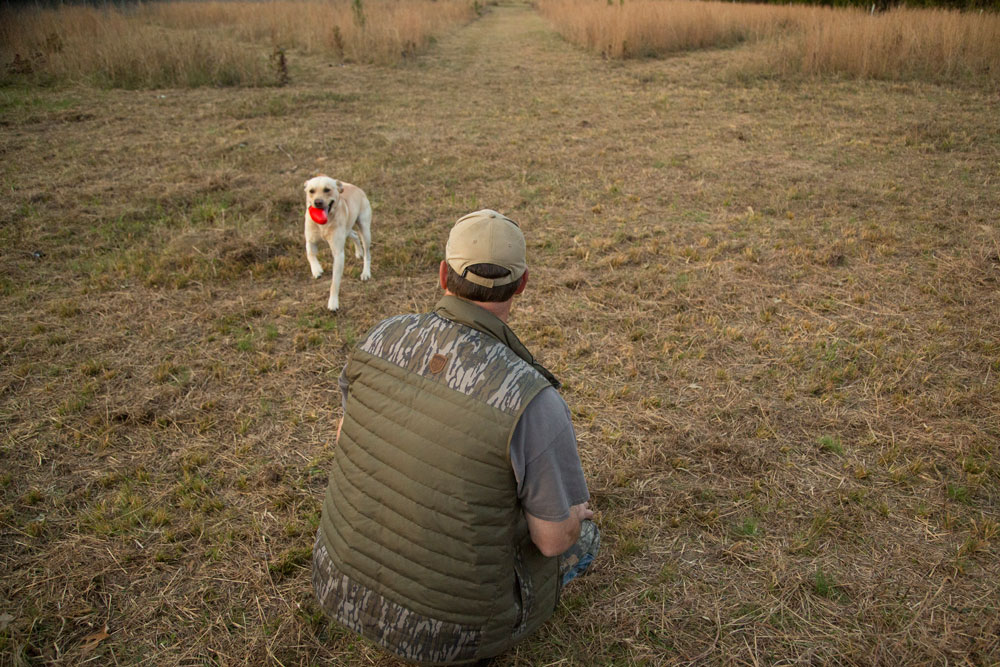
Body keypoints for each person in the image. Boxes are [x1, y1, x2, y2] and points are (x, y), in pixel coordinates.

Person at [312, 209, 599, 665]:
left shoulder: (380, 337)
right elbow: (551, 542)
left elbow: (347, 437)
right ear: (523, 285)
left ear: (443, 273)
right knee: (583, 534)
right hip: (455, 637)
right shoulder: (535, 401)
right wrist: (573, 515)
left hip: (336, 583)